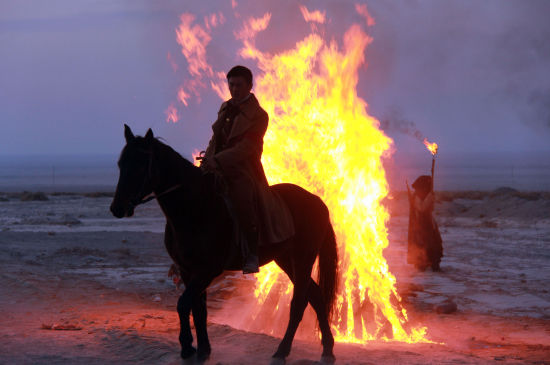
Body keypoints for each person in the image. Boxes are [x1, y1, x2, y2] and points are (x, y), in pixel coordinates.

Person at [200, 65, 294, 274]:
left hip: (244, 170)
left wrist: (219, 160)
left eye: (239, 85)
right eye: (231, 84)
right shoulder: (225, 107)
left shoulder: (260, 116)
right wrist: (208, 159)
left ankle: (251, 251)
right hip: (217, 165)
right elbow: (216, 139)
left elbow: (247, 147)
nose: (234, 89)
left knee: (242, 198)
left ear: (250, 86)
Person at [406, 175, 443, 272]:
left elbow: (429, 209)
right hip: (421, 226)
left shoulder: (423, 196)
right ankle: (422, 264)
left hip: (428, 225)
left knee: (434, 244)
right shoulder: (417, 197)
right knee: (423, 245)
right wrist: (430, 198)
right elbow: (422, 208)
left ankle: (434, 263)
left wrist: (430, 198)